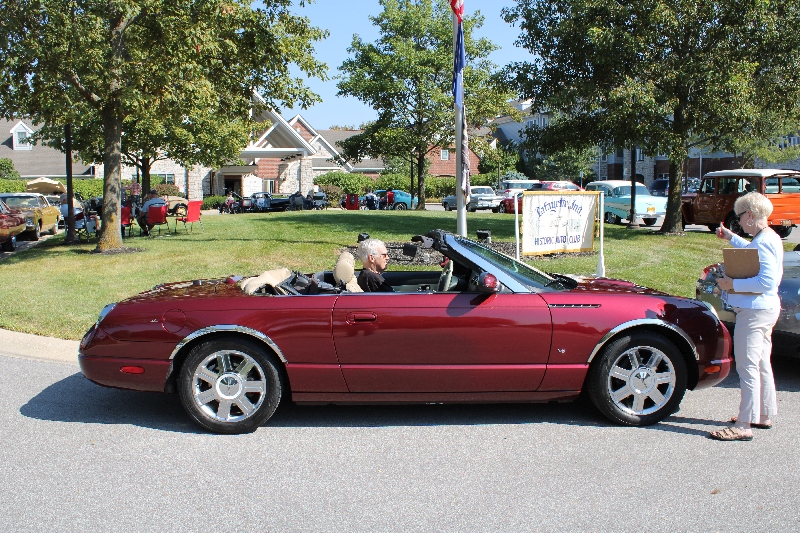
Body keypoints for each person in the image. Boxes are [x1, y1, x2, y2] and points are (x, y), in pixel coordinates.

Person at [709, 192, 783, 441]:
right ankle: (762, 414)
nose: (738, 221)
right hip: (764, 310)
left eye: (740, 216)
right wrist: (731, 237)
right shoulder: (768, 237)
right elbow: (751, 251)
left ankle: (744, 424)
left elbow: (766, 281)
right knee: (760, 363)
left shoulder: (762, 242)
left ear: (750, 215)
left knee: (747, 365)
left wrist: (731, 284)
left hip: (754, 312)